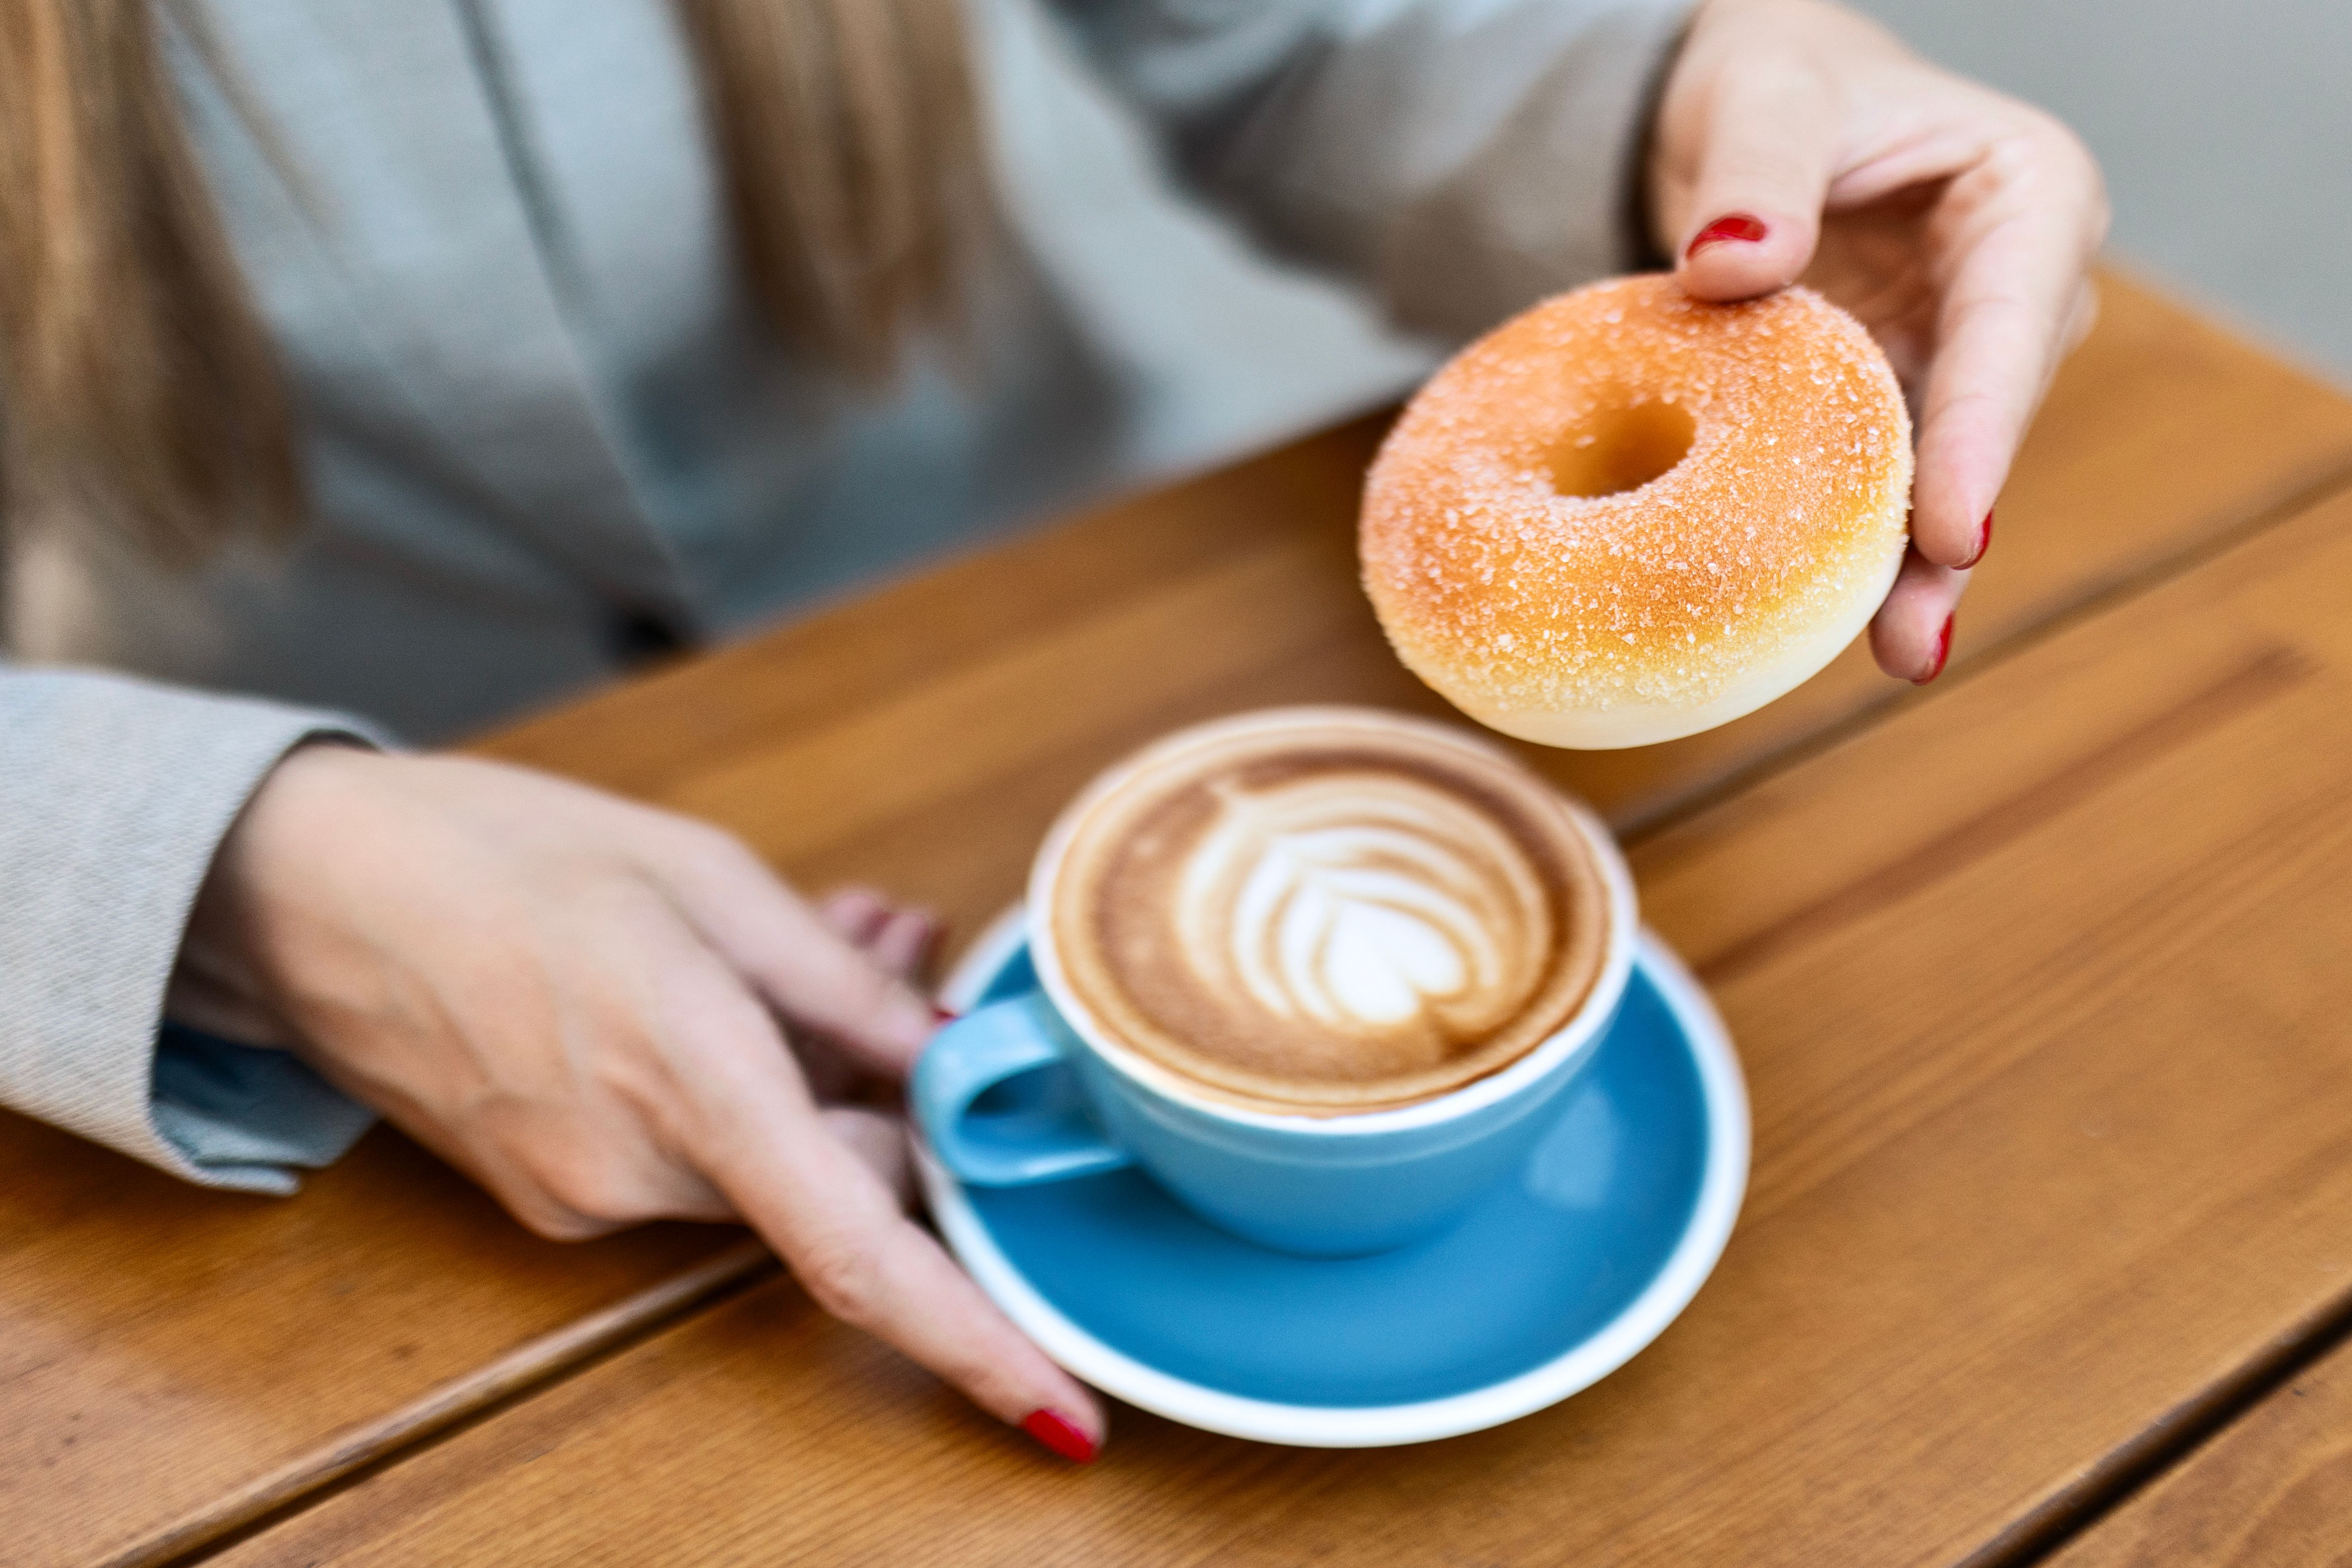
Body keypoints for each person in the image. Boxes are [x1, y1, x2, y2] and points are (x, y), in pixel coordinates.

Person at [0, 0, 2103, 1461]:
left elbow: (1312, 38)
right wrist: (222, 867)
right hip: (333, 818)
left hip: (1086, 612)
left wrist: (1694, 87)